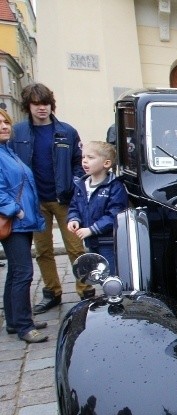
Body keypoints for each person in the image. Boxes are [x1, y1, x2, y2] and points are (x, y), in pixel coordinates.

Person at [11, 83, 92, 312]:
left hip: (64, 199)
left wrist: (76, 182)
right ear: (28, 105)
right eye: (37, 104)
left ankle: (85, 290)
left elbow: (79, 161)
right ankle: (52, 292)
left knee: (76, 248)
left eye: (45, 103)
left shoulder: (66, 131)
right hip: (35, 202)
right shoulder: (18, 132)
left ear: (51, 104)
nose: (42, 108)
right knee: (43, 250)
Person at [0, 108, 48, 343]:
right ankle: (24, 325)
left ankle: (14, 320)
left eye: (5, 122)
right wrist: (15, 210)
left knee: (15, 272)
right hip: (14, 221)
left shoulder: (7, 151)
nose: (4, 126)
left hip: (21, 221)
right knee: (23, 273)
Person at [67, 141, 128, 275]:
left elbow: (115, 215)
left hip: (108, 242)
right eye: (83, 157)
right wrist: (74, 219)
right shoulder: (81, 184)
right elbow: (74, 206)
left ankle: (115, 295)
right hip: (91, 241)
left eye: (90, 157)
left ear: (106, 163)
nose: (85, 161)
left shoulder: (114, 186)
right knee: (99, 274)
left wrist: (91, 229)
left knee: (111, 274)